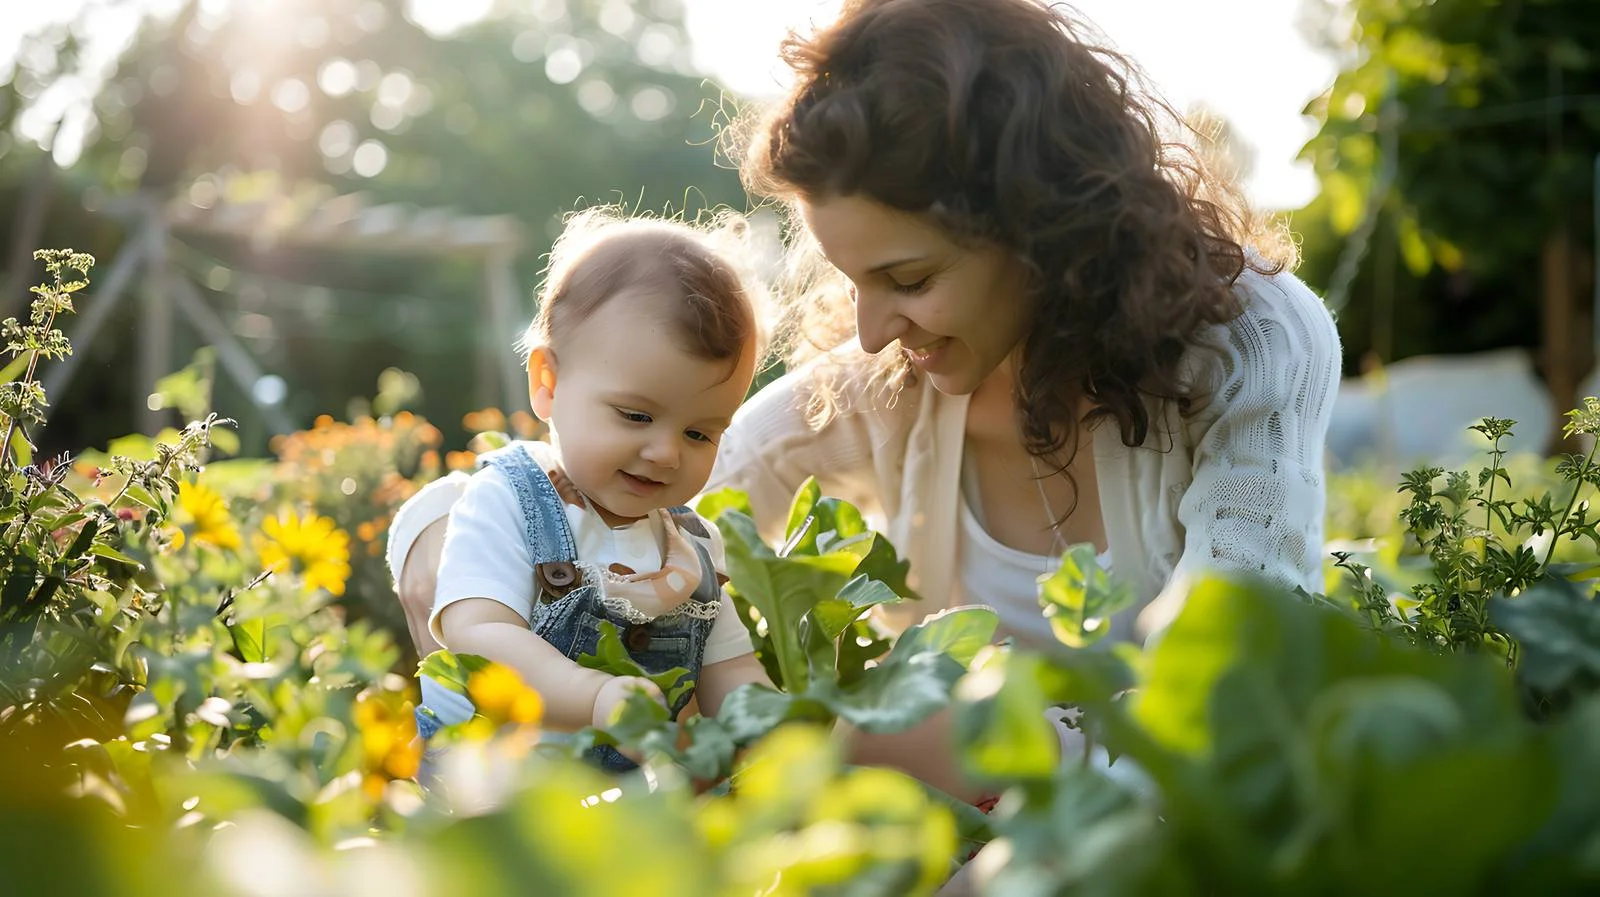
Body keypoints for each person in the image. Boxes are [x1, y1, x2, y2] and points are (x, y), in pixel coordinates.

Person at [391, 0, 1340, 799]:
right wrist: (446, 545)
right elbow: (615, 475)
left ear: (1042, 229)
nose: (875, 329)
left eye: (909, 277)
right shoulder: (898, 378)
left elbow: (1238, 683)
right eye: (853, 281)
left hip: (1149, 813)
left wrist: (1024, 809)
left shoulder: (1249, 344)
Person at [400, 209, 770, 770]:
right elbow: (479, 634)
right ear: (547, 383)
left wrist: (774, 731)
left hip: (620, 817)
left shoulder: (692, 549)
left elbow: (731, 672)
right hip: (485, 795)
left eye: (699, 432)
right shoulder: (507, 501)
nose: (667, 452)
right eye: (636, 416)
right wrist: (592, 696)